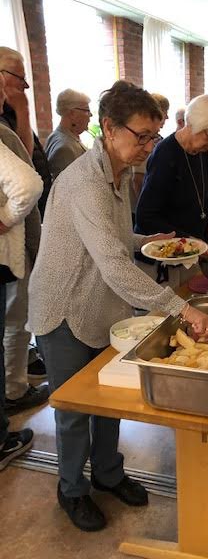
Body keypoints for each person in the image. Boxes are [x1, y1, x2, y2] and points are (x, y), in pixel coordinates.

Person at [28, 81, 208, 532]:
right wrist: (180, 308)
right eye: (142, 136)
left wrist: (145, 240)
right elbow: (113, 265)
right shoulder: (84, 180)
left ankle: (108, 473)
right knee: (75, 410)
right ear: (109, 128)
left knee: (109, 398)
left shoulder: (118, 170)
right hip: (64, 307)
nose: (149, 146)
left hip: (100, 304)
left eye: (154, 136)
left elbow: (111, 239)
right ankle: (72, 489)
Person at [135, 94, 208, 279]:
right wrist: (187, 239)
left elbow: (201, 202)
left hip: (191, 253)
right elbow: (146, 216)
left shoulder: (202, 153)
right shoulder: (165, 154)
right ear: (196, 124)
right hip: (162, 259)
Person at [0, 71, 43, 470]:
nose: (20, 91)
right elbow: (28, 182)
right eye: (16, 82)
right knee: (15, 320)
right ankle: (13, 392)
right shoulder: (3, 131)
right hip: (6, 253)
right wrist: (7, 218)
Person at [0, 47, 51, 217]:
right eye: (20, 78)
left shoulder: (10, 113)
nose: (26, 85)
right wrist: (23, 110)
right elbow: (24, 162)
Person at [131, 93, 169, 203]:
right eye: (165, 112)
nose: (167, 117)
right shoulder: (143, 140)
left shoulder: (157, 139)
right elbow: (138, 179)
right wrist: (143, 207)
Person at [45, 89, 90, 180]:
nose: (90, 115)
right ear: (72, 113)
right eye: (86, 110)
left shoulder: (60, 136)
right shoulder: (65, 149)